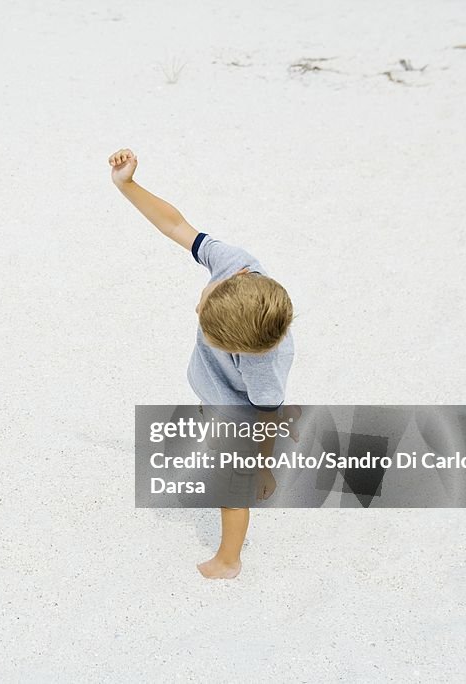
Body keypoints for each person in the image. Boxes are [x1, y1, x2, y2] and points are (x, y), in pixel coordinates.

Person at [109, 147, 296, 579]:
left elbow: (267, 414)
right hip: (214, 395)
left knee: (233, 488)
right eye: (204, 312)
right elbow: (176, 224)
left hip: (242, 414)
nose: (197, 315)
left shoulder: (265, 364)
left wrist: (258, 463)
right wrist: (128, 185)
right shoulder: (233, 262)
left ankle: (228, 560)